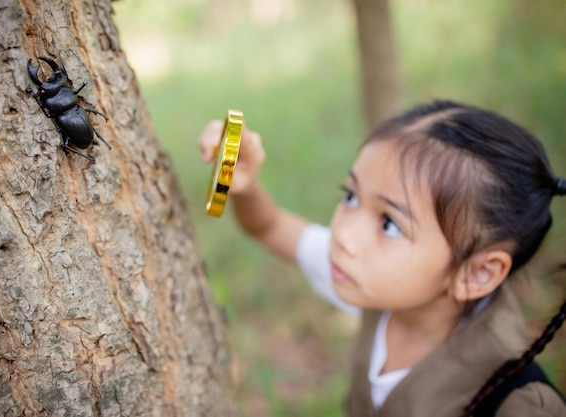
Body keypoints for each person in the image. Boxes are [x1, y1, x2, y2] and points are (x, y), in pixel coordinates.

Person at [198, 100, 566, 416]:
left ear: (478, 274)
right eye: (351, 196)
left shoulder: (517, 403)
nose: (343, 235)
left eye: (389, 224)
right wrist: (238, 179)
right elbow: (269, 227)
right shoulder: (380, 285)